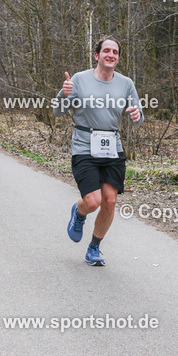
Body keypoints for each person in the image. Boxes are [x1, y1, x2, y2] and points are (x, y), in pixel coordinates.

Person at [56, 36, 143, 266]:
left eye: (115, 52)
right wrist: (64, 95)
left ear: (118, 58)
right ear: (97, 55)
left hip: (112, 147)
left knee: (110, 201)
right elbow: (57, 111)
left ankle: (94, 248)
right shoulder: (79, 79)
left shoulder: (126, 83)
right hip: (85, 146)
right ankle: (79, 211)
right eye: (106, 51)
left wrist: (137, 115)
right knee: (93, 201)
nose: (111, 55)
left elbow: (138, 116)